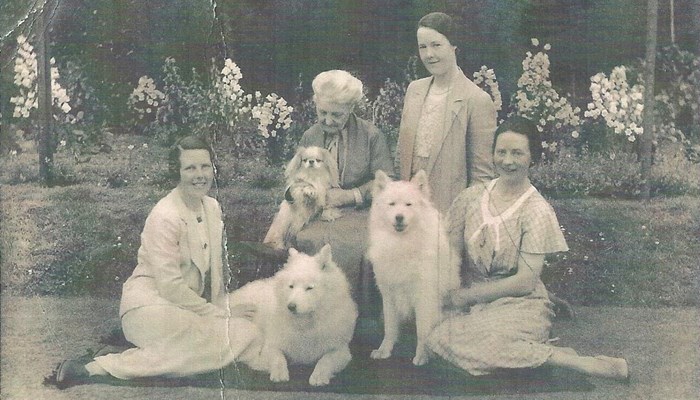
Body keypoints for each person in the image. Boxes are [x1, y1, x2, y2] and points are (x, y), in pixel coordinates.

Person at [426, 116, 629, 381]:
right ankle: (532, 354)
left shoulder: (536, 210)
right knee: (438, 339)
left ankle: (576, 362)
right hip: (470, 302)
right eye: (501, 152)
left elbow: (524, 282)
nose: (508, 161)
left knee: (484, 344)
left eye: (517, 153)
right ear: (493, 154)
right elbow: (448, 253)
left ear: (533, 157)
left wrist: (467, 296)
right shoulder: (471, 197)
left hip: (518, 303)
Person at [54, 136, 259, 387]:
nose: (200, 175)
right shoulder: (165, 215)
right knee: (222, 341)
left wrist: (223, 311)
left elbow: (216, 269)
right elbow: (170, 287)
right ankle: (96, 367)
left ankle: (149, 347)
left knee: (245, 332)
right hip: (149, 307)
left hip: (184, 311)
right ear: (177, 172)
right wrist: (218, 316)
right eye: (190, 168)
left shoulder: (212, 207)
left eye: (205, 167)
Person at [262, 70, 394, 300]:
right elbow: (295, 175)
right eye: (322, 113)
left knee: (355, 247)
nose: (328, 120)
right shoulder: (310, 136)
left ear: (351, 109)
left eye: (336, 115)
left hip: (358, 213)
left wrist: (352, 195)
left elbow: (386, 181)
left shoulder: (371, 136)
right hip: (316, 210)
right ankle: (303, 301)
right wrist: (295, 193)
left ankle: (354, 309)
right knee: (305, 239)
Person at [397, 11, 497, 214]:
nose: (429, 54)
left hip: (448, 210)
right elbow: (401, 154)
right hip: (408, 209)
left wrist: (467, 220)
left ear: (453, 46)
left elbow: (482, 176)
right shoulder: (414, 90)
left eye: (436, 45)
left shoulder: (476, 100)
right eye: (422, 47)